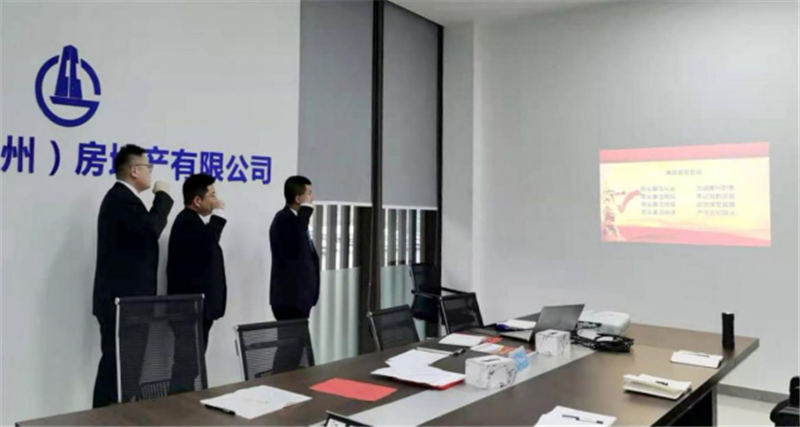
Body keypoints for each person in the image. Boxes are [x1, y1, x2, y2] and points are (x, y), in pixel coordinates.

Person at [92, 144, 173, 407]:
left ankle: (116, 417)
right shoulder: (121, 199)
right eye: (148, 167)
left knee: (125, 368)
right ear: (134, 170)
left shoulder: (124, 199)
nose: (151, 172)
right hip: (123, 303)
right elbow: (150, 230)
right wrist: (162, 197)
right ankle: (103, 420)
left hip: (129, 303)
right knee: (116, 368)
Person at [166, 173, 227, 393]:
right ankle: (176, 406)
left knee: (191, 364)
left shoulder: (194, 222)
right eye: (212, 195)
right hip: (189, 310)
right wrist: (219, 215)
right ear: (197, 200)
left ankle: (181, 405)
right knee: (187, 365)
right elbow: (208, 245)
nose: (217, 200)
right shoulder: (186, 222)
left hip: (198, 309)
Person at [268, 175, 319, 373]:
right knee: (288, 351)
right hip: (289, 299)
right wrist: (306, 212)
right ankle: (277, 384)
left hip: (299, 298)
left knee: (296, 351)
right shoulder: (285, 220)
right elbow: (295, 243)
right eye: (309, 193)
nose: (312, 198)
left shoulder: (296, 221)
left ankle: (286, 384)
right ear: (298, 198)